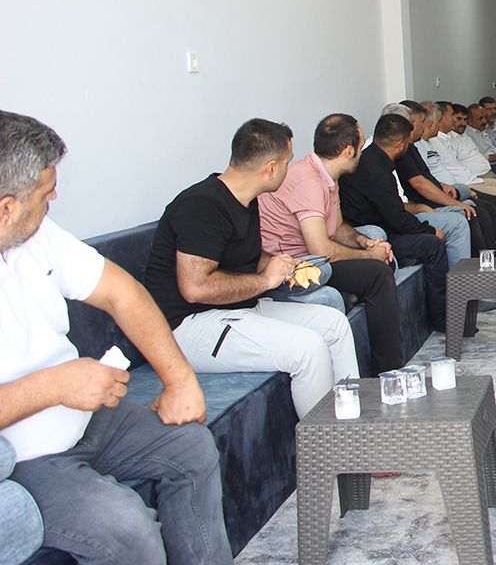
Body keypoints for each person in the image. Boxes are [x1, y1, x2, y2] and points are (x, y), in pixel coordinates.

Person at [0, 110, 233, 564]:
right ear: (7, 208)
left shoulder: (35, 235)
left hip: (85, 420)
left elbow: (123, 294)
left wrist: (179, 381)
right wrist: (56, 385)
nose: (55, 198)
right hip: (25, 457)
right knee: (127, 528)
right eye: (46, 194)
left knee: (190, 445)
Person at [145, 119, 358, 420]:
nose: (289, 168)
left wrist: (280, 265)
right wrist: (266, 280)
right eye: (287, 162)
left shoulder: (246, 200)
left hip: (235, 310)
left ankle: (353, 426)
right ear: (271, 168)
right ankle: (325, 443)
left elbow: (245, 257)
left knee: (334, 323)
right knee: (308, 349)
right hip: (189, 327)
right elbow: (195, 288)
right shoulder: (201, 205)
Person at [257, 114, 408, 374]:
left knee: (375, 235)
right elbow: (320, 250)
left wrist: (363, 242)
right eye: (361, 146)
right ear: (349, 150)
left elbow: (337, 228)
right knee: (379, 274)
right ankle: (389, 370)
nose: (363, 152)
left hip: (316, 254)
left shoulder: (328, 176)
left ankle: (358, 290)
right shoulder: (309, 181)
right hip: (299, 265)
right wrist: (369, 257)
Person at [339, 114, 450, 332]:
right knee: (433, 245)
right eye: (408, 143)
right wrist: (430, 231)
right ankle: (442, 318)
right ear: (400, 144)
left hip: (376, 227)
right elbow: (397, 218)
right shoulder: (377, 170)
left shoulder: (373, 160)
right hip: (372, 234)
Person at [400, 102, 496, 252]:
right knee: (472, 212)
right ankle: (482, 260)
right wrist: (456, 203)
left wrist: (442, 186)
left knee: (484, 208)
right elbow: (419, 183)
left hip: (446, 189)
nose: (425, 125)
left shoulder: (414, 146)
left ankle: (492, 256)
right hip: (432, 199)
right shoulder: (406, 149)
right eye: (423, 122)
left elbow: (426, 176)